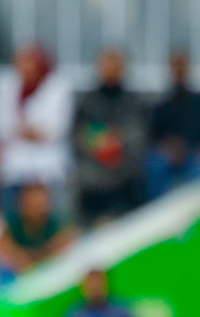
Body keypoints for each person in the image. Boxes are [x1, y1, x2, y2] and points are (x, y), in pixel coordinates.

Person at [0, 45, 72, 212]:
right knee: (12, 222)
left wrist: (23, 130)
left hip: (48, 169)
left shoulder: (58, 85)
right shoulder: (7, 84)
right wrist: (33, 131)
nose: (27, 69)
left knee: (53, 221)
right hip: (14, 168)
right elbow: (1, 128)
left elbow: (56, 129)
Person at [73, 48, 148, 226]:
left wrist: (115, 141)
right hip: (93, 186)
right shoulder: (88, 103)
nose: (110, 69)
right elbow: (79, 135)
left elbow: (138, 135)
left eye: (115, 65)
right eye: (106, 64)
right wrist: (99, 141)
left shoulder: (133, 102)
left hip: (125, 184)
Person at [146, 51, 200, 199]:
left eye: (182, 65)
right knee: (156, 164)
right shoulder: (161, 108)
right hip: (168, 160)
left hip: (198, 157)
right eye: (176, 66)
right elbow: (148, 137)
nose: (179, 70)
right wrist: (166, 147)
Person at [0, 182, 75, 279]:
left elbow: (66, 242)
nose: (36, 206)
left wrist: (35, 261)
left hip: (47, 270)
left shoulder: (55, 222)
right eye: (30, 202)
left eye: (40, 203)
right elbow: (0, 247)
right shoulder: (13, 222)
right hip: (19, 272)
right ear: (22, 203)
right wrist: (22, 260)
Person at [61, 267, 139, 317]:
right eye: (91, 286)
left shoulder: (121, 315)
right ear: (83, 287)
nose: (95, 287)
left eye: (98, 285)